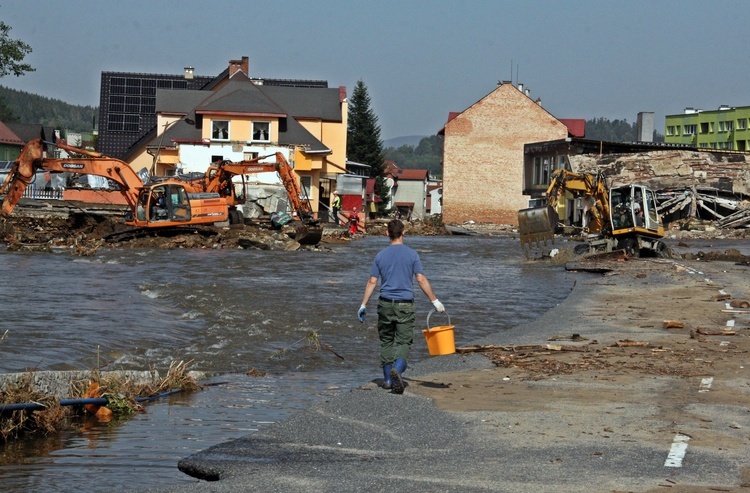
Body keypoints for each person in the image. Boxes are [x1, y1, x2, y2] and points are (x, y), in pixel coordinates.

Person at [357, 219, 445, 394]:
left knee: (386, 340)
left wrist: (363, 305)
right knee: (404, 341)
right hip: (405, 305)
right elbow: (420, 279)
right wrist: (435, 301)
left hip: (385, 304)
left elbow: (372, 281)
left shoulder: (380, 255)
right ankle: (397, 369)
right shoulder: (412, 255)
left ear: (387, 234)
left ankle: (388, 380)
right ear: (404, 233)